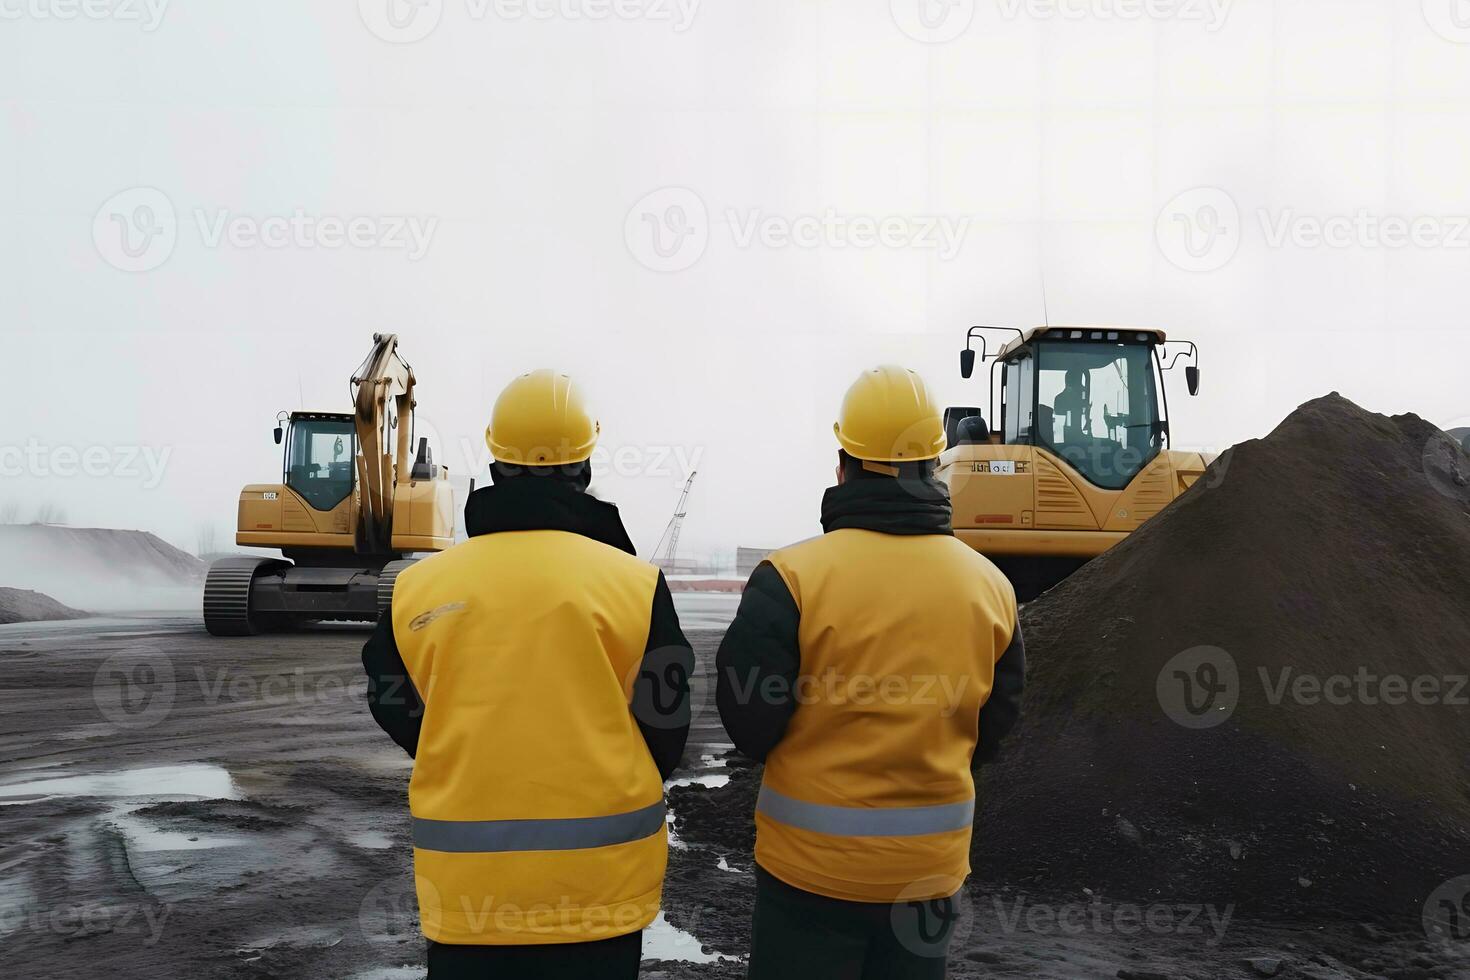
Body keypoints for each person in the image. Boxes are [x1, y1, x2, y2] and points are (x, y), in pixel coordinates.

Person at [362, 369, 693, 980]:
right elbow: (667, 730)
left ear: (494, 464)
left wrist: (454, 748)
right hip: (599, 895)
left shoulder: (418, 587)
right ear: (585, 468)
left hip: (468, 899)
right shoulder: (635, 586)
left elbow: (390, 696)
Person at [715, 365, 1026, 979]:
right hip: (927, 876)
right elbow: (995, 727)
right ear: (936, 467)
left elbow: (750, 724)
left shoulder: (792, 579)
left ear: (843, 465)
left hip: (809, 874)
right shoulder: (991, 587)